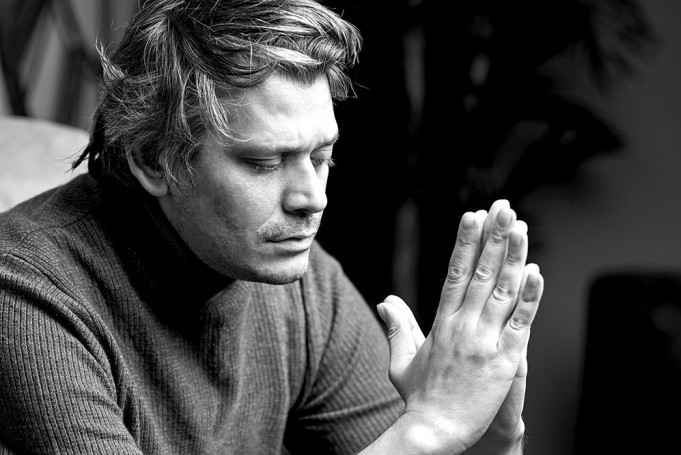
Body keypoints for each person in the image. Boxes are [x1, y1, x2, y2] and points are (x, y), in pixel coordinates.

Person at [0, 0, 543, 454]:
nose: (313, 199)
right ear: (152, 159)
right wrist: (429, 428)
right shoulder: (24, 294)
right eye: (264, 163)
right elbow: (417, 440)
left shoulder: (302, 285)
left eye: (322, 157)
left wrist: (490, 444)